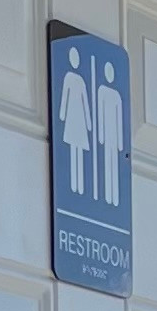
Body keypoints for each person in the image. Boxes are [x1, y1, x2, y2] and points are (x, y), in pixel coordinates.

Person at [57, 45, 94, 197]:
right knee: (73, 150)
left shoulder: (78, 80)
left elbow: (85, 103)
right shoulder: (71, 78)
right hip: (73, 119)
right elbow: (64, 98)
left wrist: (89, 123)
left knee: (77, 150)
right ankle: (74, 187)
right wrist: (62, 116)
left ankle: (78, 188)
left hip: (77, 120)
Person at [95, 55, 125, 208]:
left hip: (112, 136)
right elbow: (100, 112)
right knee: (107, 164)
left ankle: (112, 199)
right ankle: (108, 199)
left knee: (113, 165)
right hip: (107, 136)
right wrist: (100, 135)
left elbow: (119, 115)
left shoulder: (115, 95)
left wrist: (120, 143)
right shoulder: (102, 92)